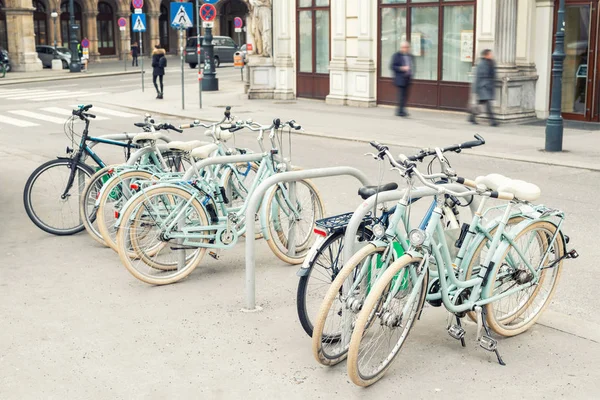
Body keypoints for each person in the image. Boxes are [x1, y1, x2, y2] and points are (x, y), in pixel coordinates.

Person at [469, 49, 498, 126]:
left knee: (480, 103)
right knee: (488, 104)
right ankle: (492, 121)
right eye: (490, 54)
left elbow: (493, 74)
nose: (491, 55)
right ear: (486, 55)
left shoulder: (491, 62)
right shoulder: (481, 64)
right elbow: (478, 77)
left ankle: (472, 116)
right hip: (482, 87)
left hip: (488, 87)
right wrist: (475, 90)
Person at [391, 41, 414, 117]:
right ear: (401, 48)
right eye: (405, 47)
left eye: (407, 47)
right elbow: (392, 66)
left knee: (405, 96)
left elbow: (412, 66)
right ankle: (401, 111)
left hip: (408, 78)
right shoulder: (396, 56)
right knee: (401, 96)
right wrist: (402, 68)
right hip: (400, 79)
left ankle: (400, 110)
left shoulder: (410, 56)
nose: (406, 49)